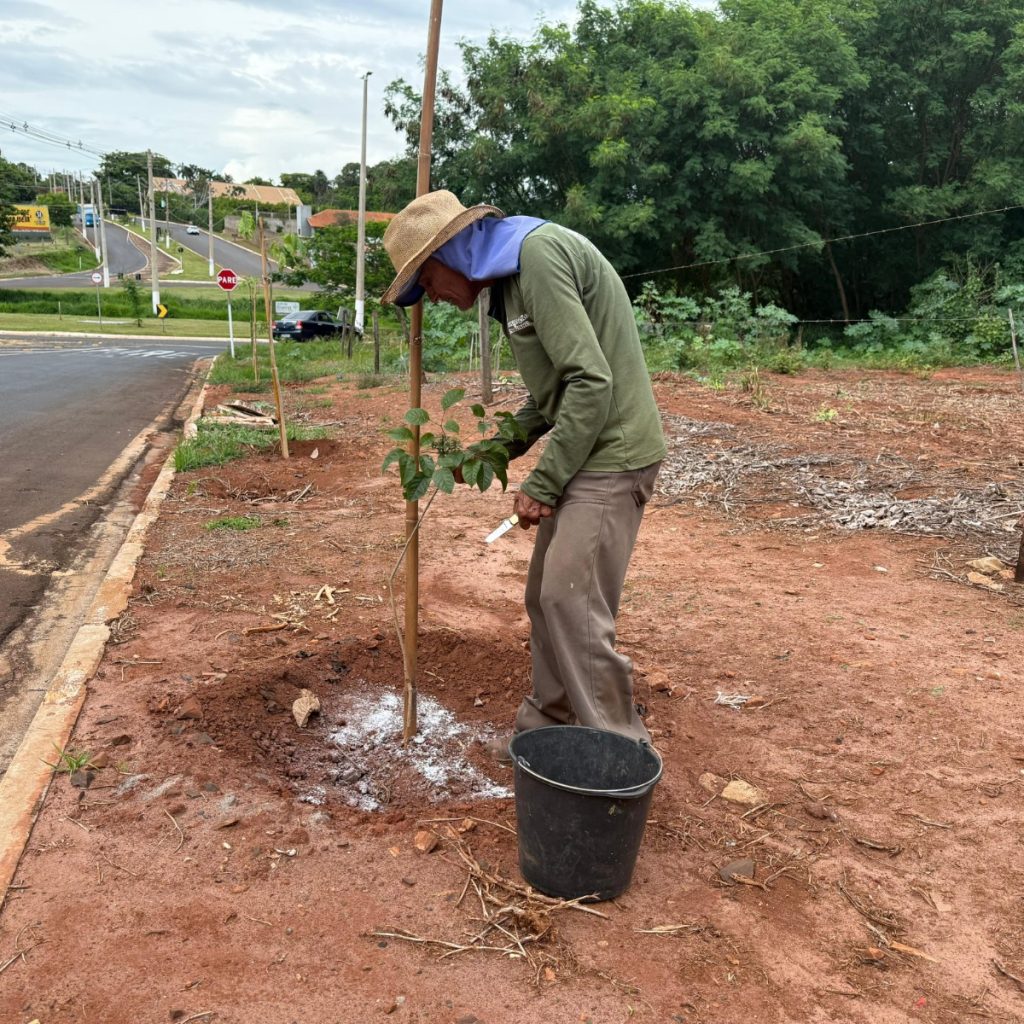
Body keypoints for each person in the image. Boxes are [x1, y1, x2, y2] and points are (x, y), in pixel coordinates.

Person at [381, 190, 666, 757]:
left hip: (612, 456)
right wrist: (492, 451)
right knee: (545, 597)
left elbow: (591, 383)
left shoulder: (538, 257)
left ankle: (619, 757)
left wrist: (543, 483)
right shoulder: (509, 283)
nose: (431, 297)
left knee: (571, 601)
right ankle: (545, 732)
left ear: (449, 253)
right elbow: (552, 395)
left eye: (427, 281)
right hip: (587, 451)